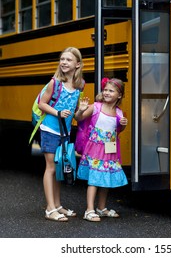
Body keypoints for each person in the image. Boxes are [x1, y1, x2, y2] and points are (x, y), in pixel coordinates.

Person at [38, 47, 84, 222]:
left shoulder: (80, 85)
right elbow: (42, 104)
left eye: (69, 60)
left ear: (77, 64)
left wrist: (81, 111)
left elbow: (76, 113)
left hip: (64, 131)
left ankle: (57, 205)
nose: (64, 62)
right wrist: (57, 113)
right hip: (50, 130)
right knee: (50, 168)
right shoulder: (55, 83)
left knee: (58, 168)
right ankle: (50, 209)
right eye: (62, 59)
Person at [75, 77, 128, 222]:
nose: (107, 93)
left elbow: (118, 130)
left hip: (110, 151)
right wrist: (81, 110)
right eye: (105, 90)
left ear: (120, 95)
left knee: (106, 179)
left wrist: (123, 124)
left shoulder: (119, 113)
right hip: (94, 150)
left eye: (111, 91)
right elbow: (79, 118)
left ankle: (101, 208)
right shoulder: (96, 107)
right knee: (94, 179)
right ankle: (89, 210)